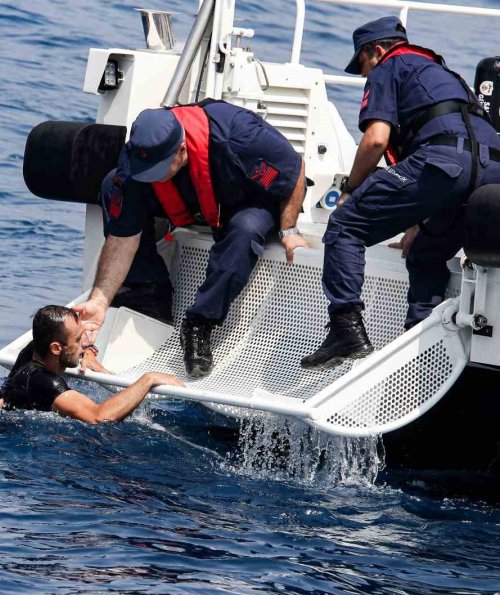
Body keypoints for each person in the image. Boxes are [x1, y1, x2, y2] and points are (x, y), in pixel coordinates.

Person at [302, 16, 500, 369]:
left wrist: (350, 189)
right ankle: (423, 356)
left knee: (346, 225)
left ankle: (345, 330)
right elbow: (459, 149)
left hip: (444, 164)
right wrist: (418, 219)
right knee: (425, 254)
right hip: (490, 175)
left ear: (376, 50)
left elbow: (376, 140)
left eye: (362, 65)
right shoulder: (445, 75)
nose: (364, 75)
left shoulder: (389, 66)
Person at [74, 102, 310, 379]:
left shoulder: (241, 138)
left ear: (182, 150)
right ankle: (148, 293)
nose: (150, 176)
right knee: (114, 184)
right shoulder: (139, 153)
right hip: (193, 198)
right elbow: (122, 238)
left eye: (157, 170)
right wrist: (99, 301)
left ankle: (199, 323)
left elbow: (294, 171)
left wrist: (289, 230)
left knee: (245, 231)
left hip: (246, 198)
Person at [0, 305, 183, 423]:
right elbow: (98, 417)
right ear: (56, 348)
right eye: (78, 339)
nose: (85, 342)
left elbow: (67, 344)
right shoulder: (45, 382)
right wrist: (148, 379)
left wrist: (88, 352)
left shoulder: (35, 349)